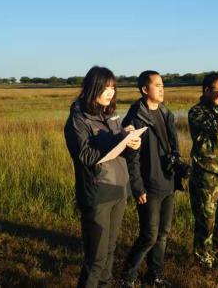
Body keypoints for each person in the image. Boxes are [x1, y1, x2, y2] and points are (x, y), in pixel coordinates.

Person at [64, 66, 142, 288]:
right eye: (106, 88)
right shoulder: (78, 119)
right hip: (97, 192)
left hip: (119, 189)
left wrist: (131, 143)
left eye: (113, 87)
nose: (110, 92)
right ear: (92, 88)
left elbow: (119, 151)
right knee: (95, 259)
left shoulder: (110, 114)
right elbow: (86, 155)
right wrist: (118, 138)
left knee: (109, 251)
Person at [120, 70, 180, 287]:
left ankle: (154, 275)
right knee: (149, 235)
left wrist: (178, 169)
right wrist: (137, 187)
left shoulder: (166, 113)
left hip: (168, 183)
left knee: (163, 233)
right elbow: (131, 158)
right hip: (149, 186)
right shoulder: (135, 117)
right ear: (145, 89)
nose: (162, 89)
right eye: (158, 85)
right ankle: (127, 277)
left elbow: (174, 148)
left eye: (163, 85)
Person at [188, 73, 218, 269]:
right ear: (207, 90)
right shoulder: (196, 112)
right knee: (206, 222)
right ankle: (203, 261)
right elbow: (217, 128)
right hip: (206, 176)